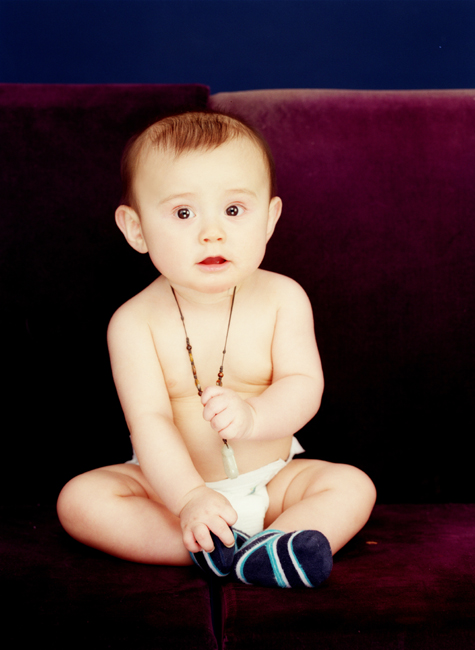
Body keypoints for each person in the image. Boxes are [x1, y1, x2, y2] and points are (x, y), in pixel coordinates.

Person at [57, 111, 376, 588]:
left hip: (273, 481)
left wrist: (254, 417)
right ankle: (211, 549)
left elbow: (304, 384)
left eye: (233, 210)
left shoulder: (283, 298)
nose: (212, 233)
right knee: (81, 500)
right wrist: (189, 498)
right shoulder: (134, 322)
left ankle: (275, 545)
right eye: (184, 213)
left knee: (351, 485)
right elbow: (150, 422)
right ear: (136, 229)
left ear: (269, 219)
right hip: (169, 492)